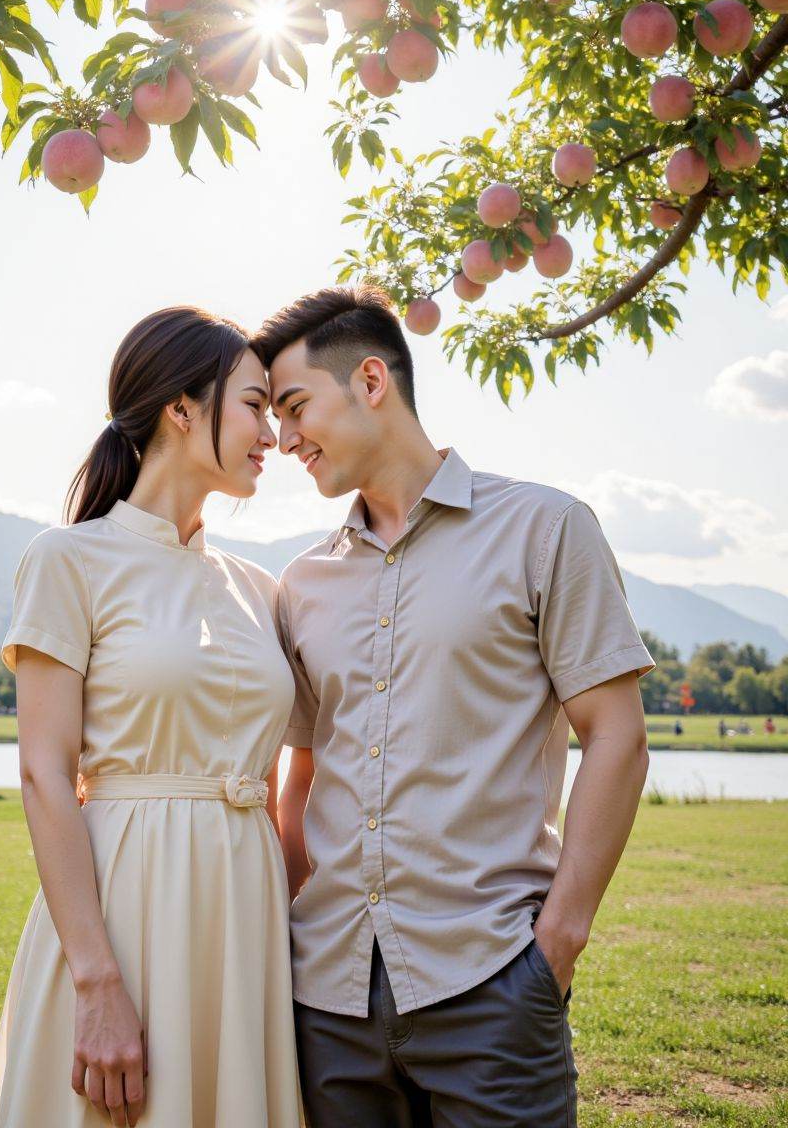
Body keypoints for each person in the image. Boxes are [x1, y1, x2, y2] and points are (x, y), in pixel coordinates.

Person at [255, 284, 656, 1128]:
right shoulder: (303, 585)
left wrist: (559, 941)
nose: (282, 438)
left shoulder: (546, 529)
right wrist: (294, 931)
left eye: (295, 407)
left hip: (493, 983)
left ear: (371, 381)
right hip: (327, 1001)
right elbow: (302, 773)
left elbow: (615, 735)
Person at [0, 306, 305, 1128]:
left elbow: (276, 779)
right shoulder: (69, 560)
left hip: (244, 911)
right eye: (256, 405)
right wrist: (96, 981)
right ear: (182, 407)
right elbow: (44, 775)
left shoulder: (260, 588)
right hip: (121, 904)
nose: (272, 433)